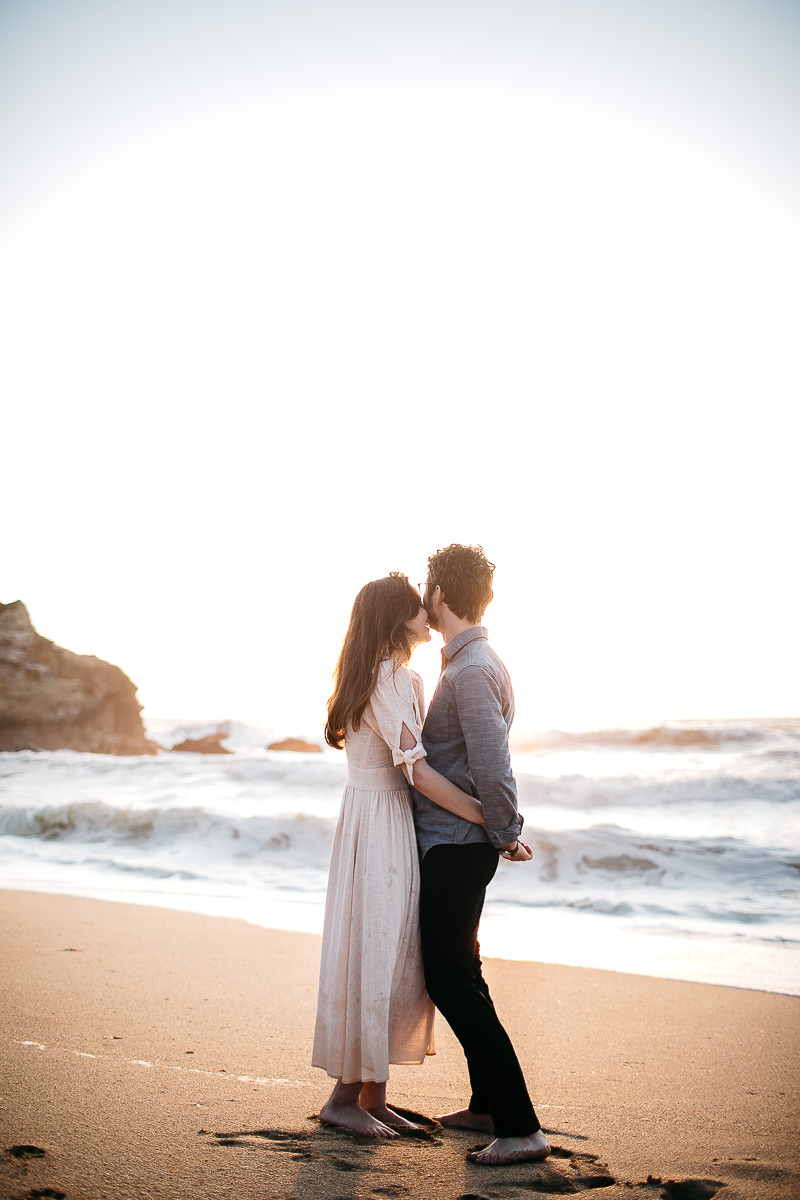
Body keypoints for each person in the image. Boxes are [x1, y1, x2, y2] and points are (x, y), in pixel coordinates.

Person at [312, 571, 487, 1139]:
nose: (427, 613)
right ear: (396, 619)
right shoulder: (387, 676)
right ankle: (343, 1100)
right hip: (381, 824)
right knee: (379, 952)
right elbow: (415, 770)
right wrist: (485, 815)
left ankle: (372, 1096)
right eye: (417, 607)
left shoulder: (388, 674)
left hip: (379, 822)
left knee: (388, 949)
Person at [412, 544, 551, 1166]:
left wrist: (504, 829)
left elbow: (493, 764)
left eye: (425, 588)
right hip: (461, 845)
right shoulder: (475, 662)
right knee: (464, 972)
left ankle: (521, 1126)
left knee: (449, 978)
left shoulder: (469, 671)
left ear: (440, 594)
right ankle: (488, 1105)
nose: (422, 598)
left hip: (456, 848)